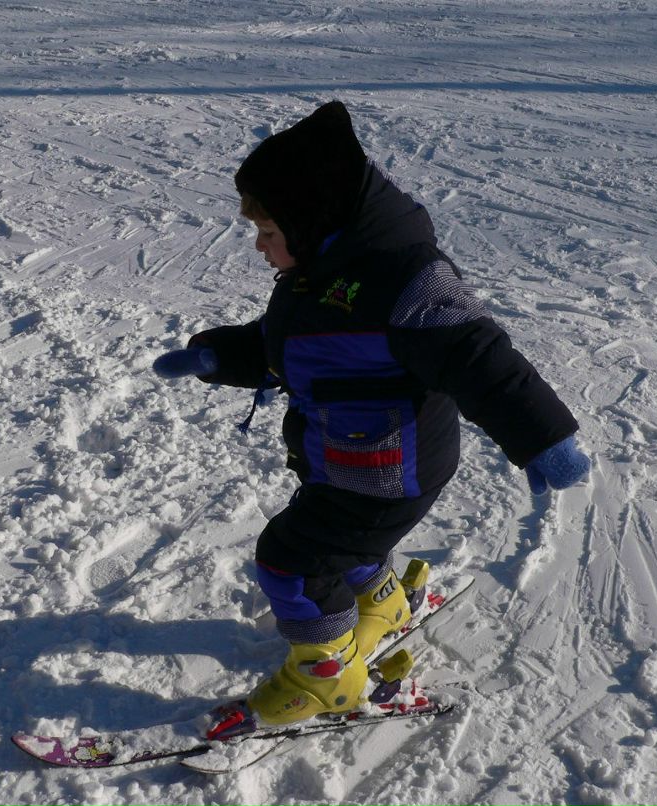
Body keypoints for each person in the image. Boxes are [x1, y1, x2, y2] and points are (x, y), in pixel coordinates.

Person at [153, 101, 590, 725]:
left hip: (389, 471)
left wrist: (545, 438)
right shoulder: (319, 277)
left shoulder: (408, 282)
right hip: (350, 459)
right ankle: (381, 600)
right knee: (340, 541)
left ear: (311, 221)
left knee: (292, 559)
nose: (259, 246)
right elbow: (290, 346)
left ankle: (323, 675)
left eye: (270, 232)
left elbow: (479, 358)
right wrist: (217, 356)